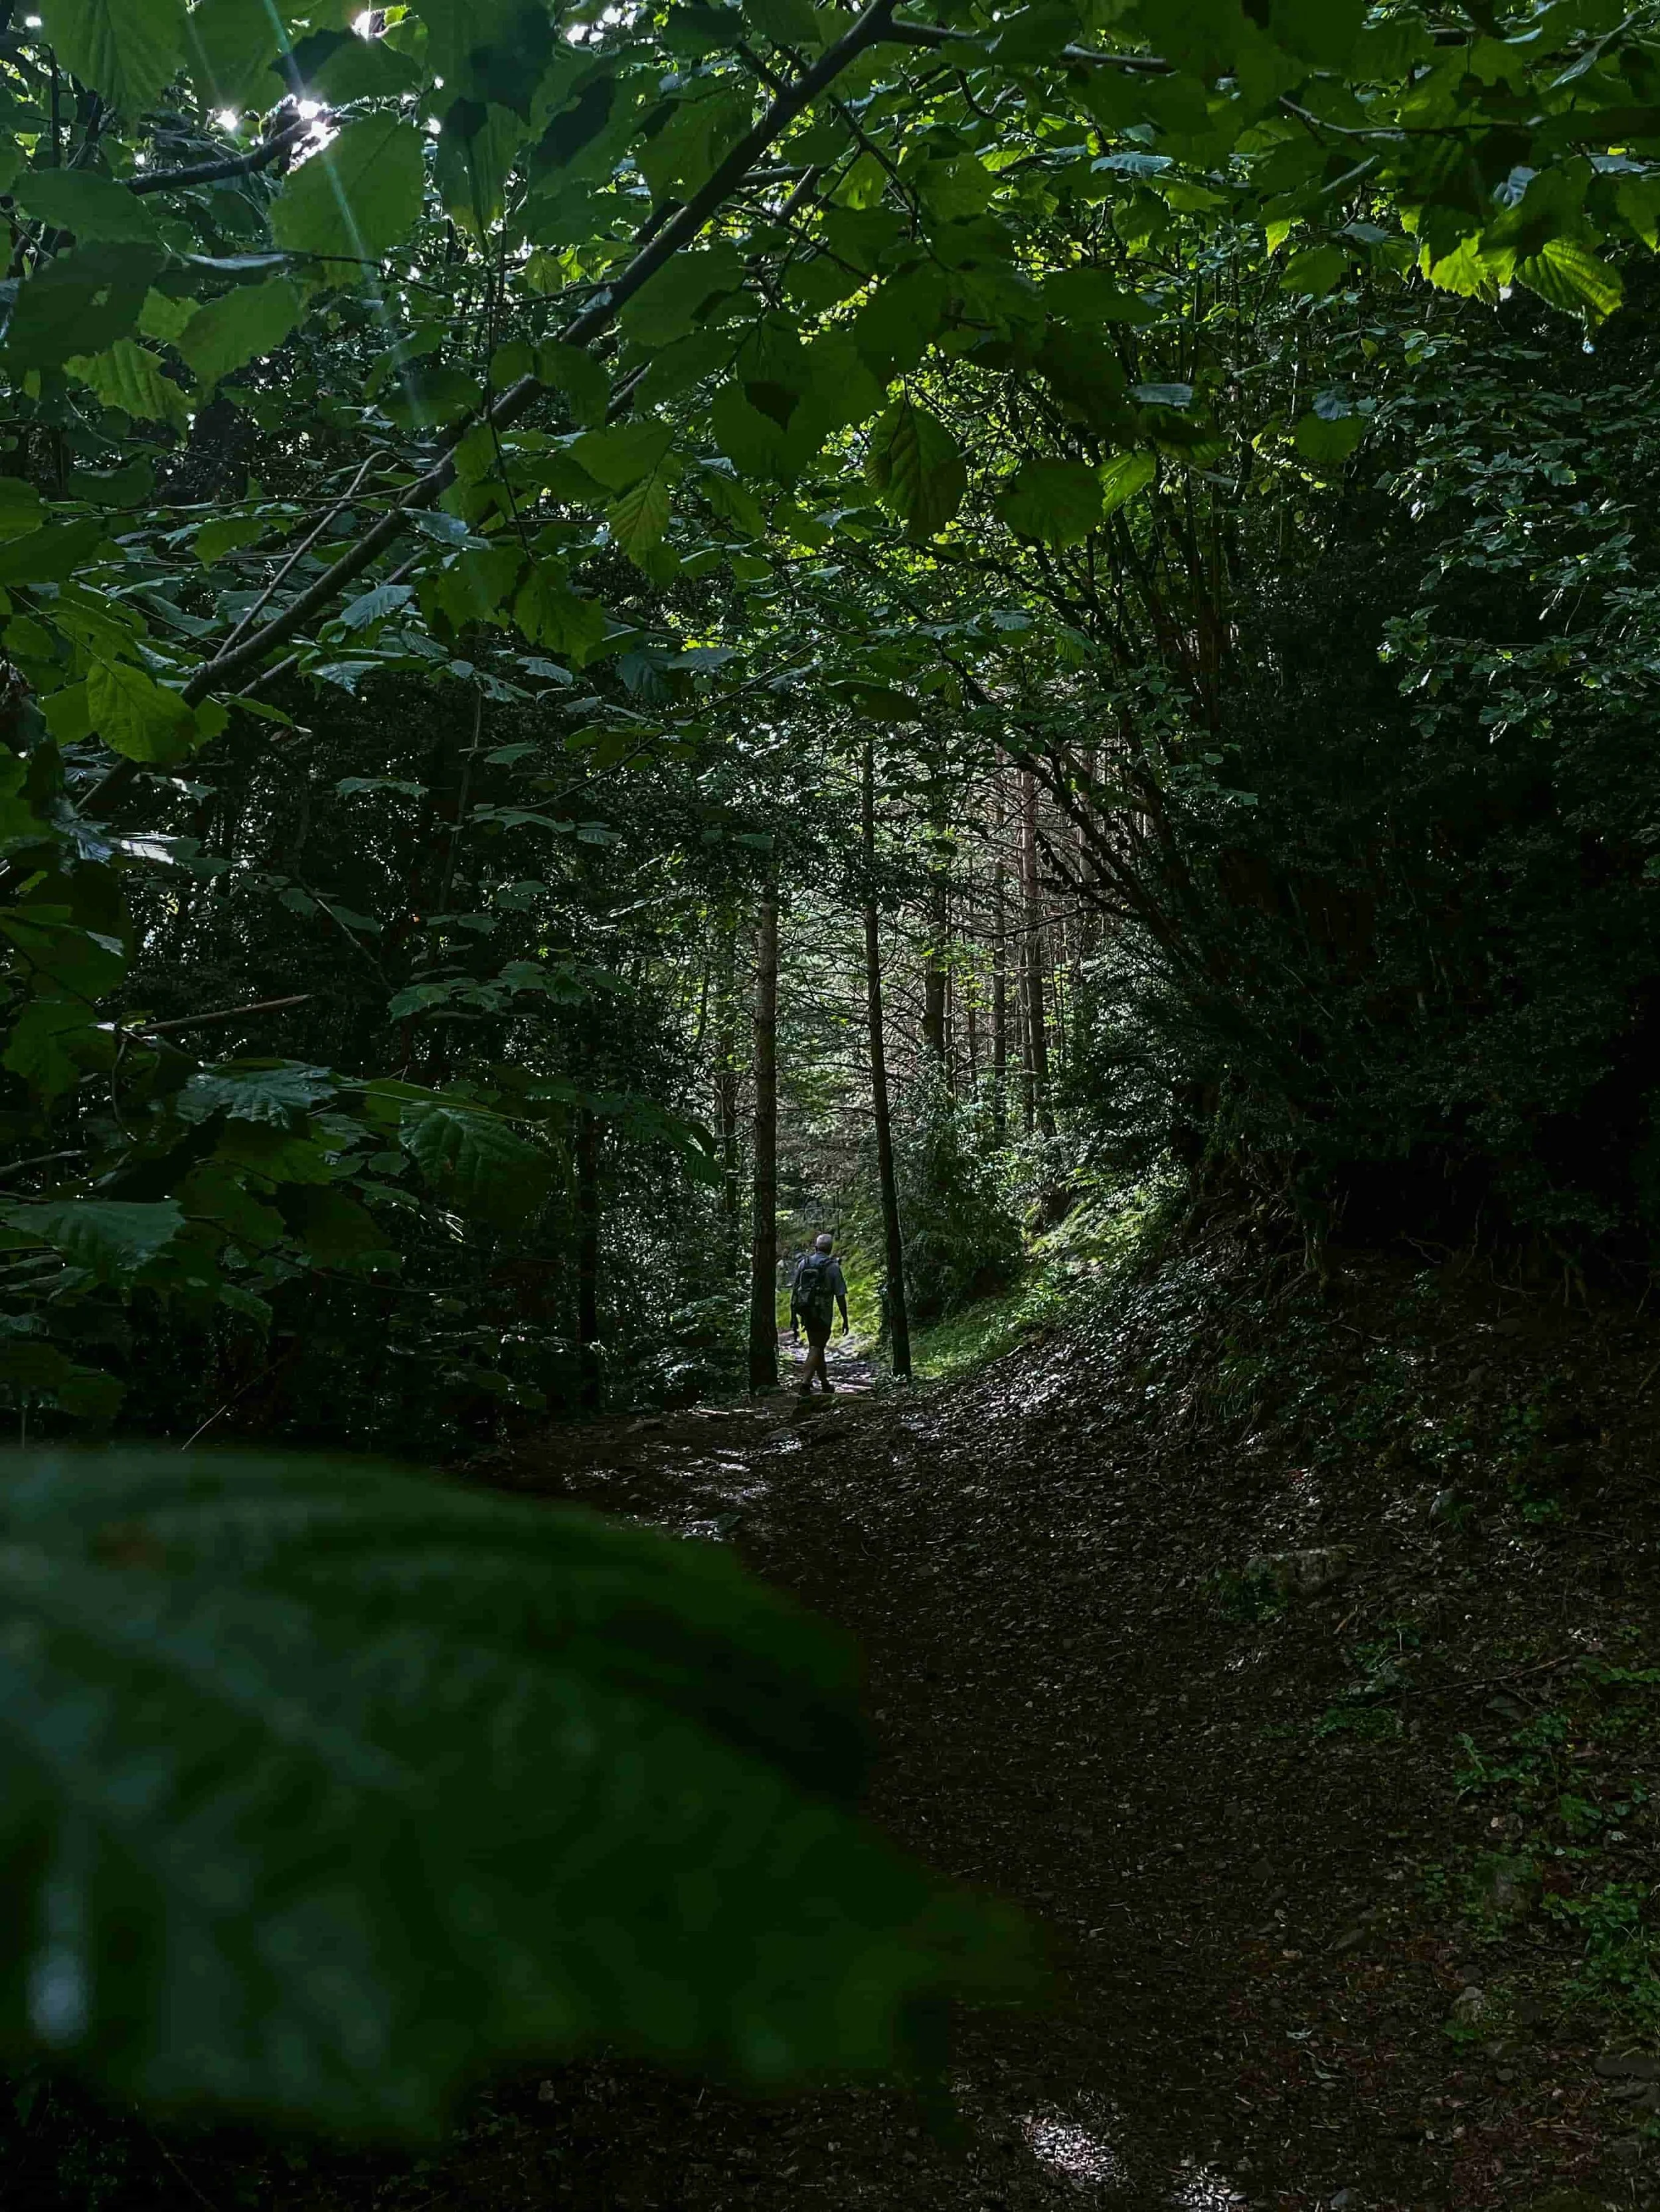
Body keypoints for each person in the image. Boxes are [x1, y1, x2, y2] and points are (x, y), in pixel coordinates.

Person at [789, 1233, 849, 1397]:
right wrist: (845, 1318)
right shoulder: (833, 1267)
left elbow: (795, 1290)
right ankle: (806, 1385)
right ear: (830, 1250)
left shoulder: (804, 1263)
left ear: (815, 1247)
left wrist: (793, 1315)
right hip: (822, 1314)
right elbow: (840, 1295)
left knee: (817, 1346)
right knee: (816, 1347)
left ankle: (824, 1384)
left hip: (806, 1311)